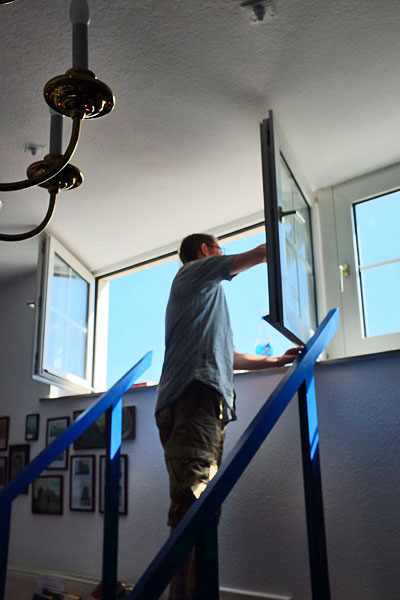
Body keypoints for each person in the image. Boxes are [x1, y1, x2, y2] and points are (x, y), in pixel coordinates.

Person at [155, 233, 301, 600]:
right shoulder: (193, 273)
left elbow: (230, 356)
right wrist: (285, 246)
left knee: (201, 505)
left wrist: (276, 360)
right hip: (193, 397)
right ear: (205, 251)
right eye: (220, 249)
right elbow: (258, 254)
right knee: (193, 504)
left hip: (202, 401)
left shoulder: (206, 302)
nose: (222, 255)